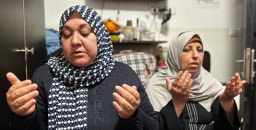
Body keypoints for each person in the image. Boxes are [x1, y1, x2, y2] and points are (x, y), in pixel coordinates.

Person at [5, 5, 159, 130]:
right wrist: (23, 115)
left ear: (99, 37)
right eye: (66, 34)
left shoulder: (123, 74)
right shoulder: (45, 75)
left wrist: (133, 115)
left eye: (84, 33)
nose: (75, 41)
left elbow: (154, 125)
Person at [145, 31, 246, 130]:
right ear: (174, 54)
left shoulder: (209, 84)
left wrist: (226, 100)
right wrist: (177, 102)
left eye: (199, 50)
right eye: (187, 49)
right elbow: (153, 126)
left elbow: (225, 127)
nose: (195, 55)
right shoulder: (157, 85)